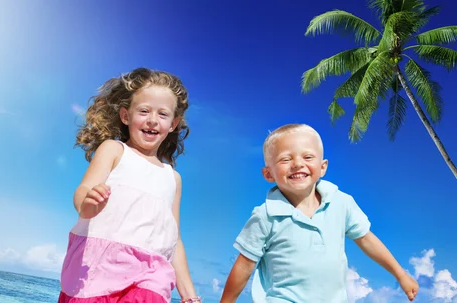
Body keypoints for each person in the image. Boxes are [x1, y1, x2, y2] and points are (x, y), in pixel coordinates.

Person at [220, 123, 419, 303]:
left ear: (322, 167)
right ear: (268, 174)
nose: (297, 164)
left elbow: (366, 239)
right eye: (285, 159)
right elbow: (244, 266)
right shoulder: (265, 215)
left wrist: (400, 274)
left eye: (307, 157)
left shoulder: (341, 202)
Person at [59, 67, 200, 303]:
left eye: (163, 114)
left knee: (151, 293)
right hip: (98, 268)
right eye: (144, 111)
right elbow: (84, 190)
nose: (153, 120)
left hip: (151, 273)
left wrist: (190, 296)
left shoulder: (173, 178)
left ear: (173, 123)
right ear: (126, 116)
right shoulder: (114, 150)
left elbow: (174, 239)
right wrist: (87, 204)